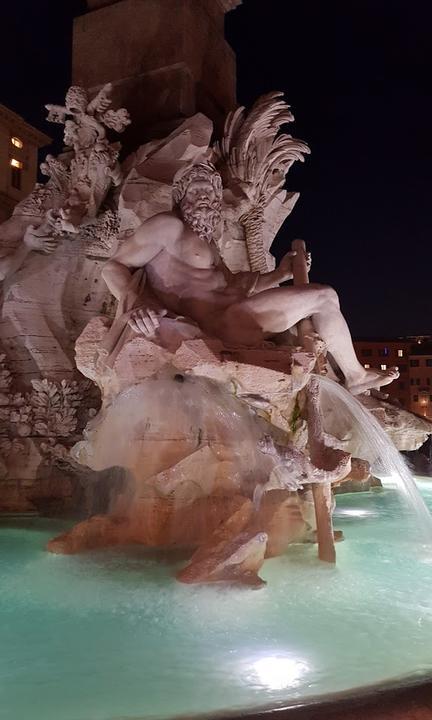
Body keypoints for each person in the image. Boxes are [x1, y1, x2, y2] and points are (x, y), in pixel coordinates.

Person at [102, 163, 398, 395]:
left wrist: (279, 274)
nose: (204, 195)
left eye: (210, 191)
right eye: (196, 189)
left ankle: (352, 375)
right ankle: (356, 376)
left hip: (236, 314)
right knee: (324, 296)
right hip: (221, 324)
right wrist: (137, 303)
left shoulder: (208, 241)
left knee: (324, 298)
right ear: (181, 196)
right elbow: (113, 265)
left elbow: (236, 286)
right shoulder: (167, 226)